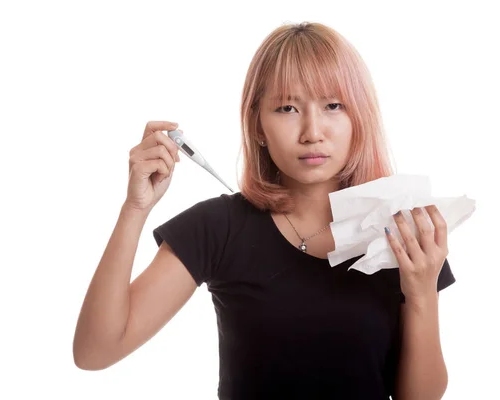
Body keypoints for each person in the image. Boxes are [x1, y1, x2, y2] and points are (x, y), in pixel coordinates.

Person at [73, 21, 456, 400]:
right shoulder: (217, 228)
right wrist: (135, 208)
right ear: (257, 123)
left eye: (333, 105)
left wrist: (422, 291)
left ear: (360, 117)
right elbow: (95, 352)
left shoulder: (401, 232)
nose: (312, 131)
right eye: (287, 107)